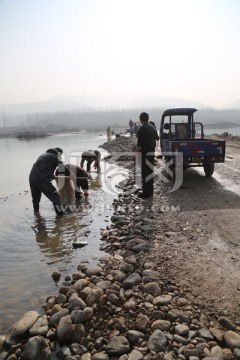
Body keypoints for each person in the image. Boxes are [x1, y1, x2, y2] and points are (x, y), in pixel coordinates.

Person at [29, 148, 64, 215]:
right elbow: (62, 166)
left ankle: (36, 214)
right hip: (42, 180)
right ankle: (60, 216)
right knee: (55, 196)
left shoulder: (42, 156)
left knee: (36, 198)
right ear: (56, 154)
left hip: (32, 178)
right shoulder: (54, 156)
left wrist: (51, 175)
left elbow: (42, 169)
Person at [135, 112, 159, 198]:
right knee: (150, 172)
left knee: (145, 173)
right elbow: (157, 138)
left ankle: (146, 192)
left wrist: (134, 155)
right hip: (151, 153)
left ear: (140, 119)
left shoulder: (142, 129)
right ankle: (150, 191)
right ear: (147, 119)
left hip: (145, 154)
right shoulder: (153, 127)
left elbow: (139, 146)